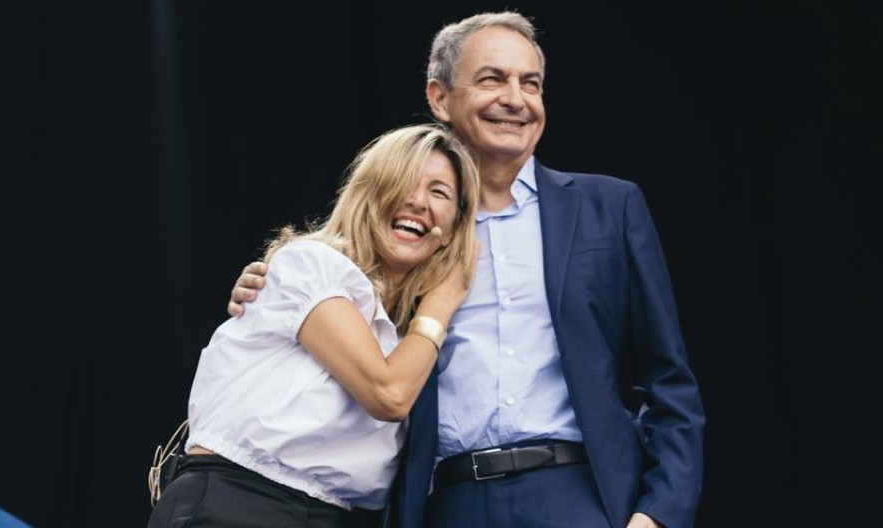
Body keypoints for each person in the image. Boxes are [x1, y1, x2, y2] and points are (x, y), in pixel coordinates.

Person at [229, 12, 705, 528]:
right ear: (439, 98)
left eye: (531, 84)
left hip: (580, 494)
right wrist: (266, 288)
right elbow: (329, 300)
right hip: (448, 501)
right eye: (491, 79)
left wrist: (657, 514)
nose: (515, 99)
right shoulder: (407, 230)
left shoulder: (609, 208)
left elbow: (668, 381)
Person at [149, 124, 480, 528]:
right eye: (402, 181)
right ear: (367, 195)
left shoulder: (404, 343)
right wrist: (441, 304)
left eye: (439, 192)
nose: (416, 200)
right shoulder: (310, 264)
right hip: (241, 502)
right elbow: (388, 394)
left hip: (327, 515)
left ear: (452, 229)